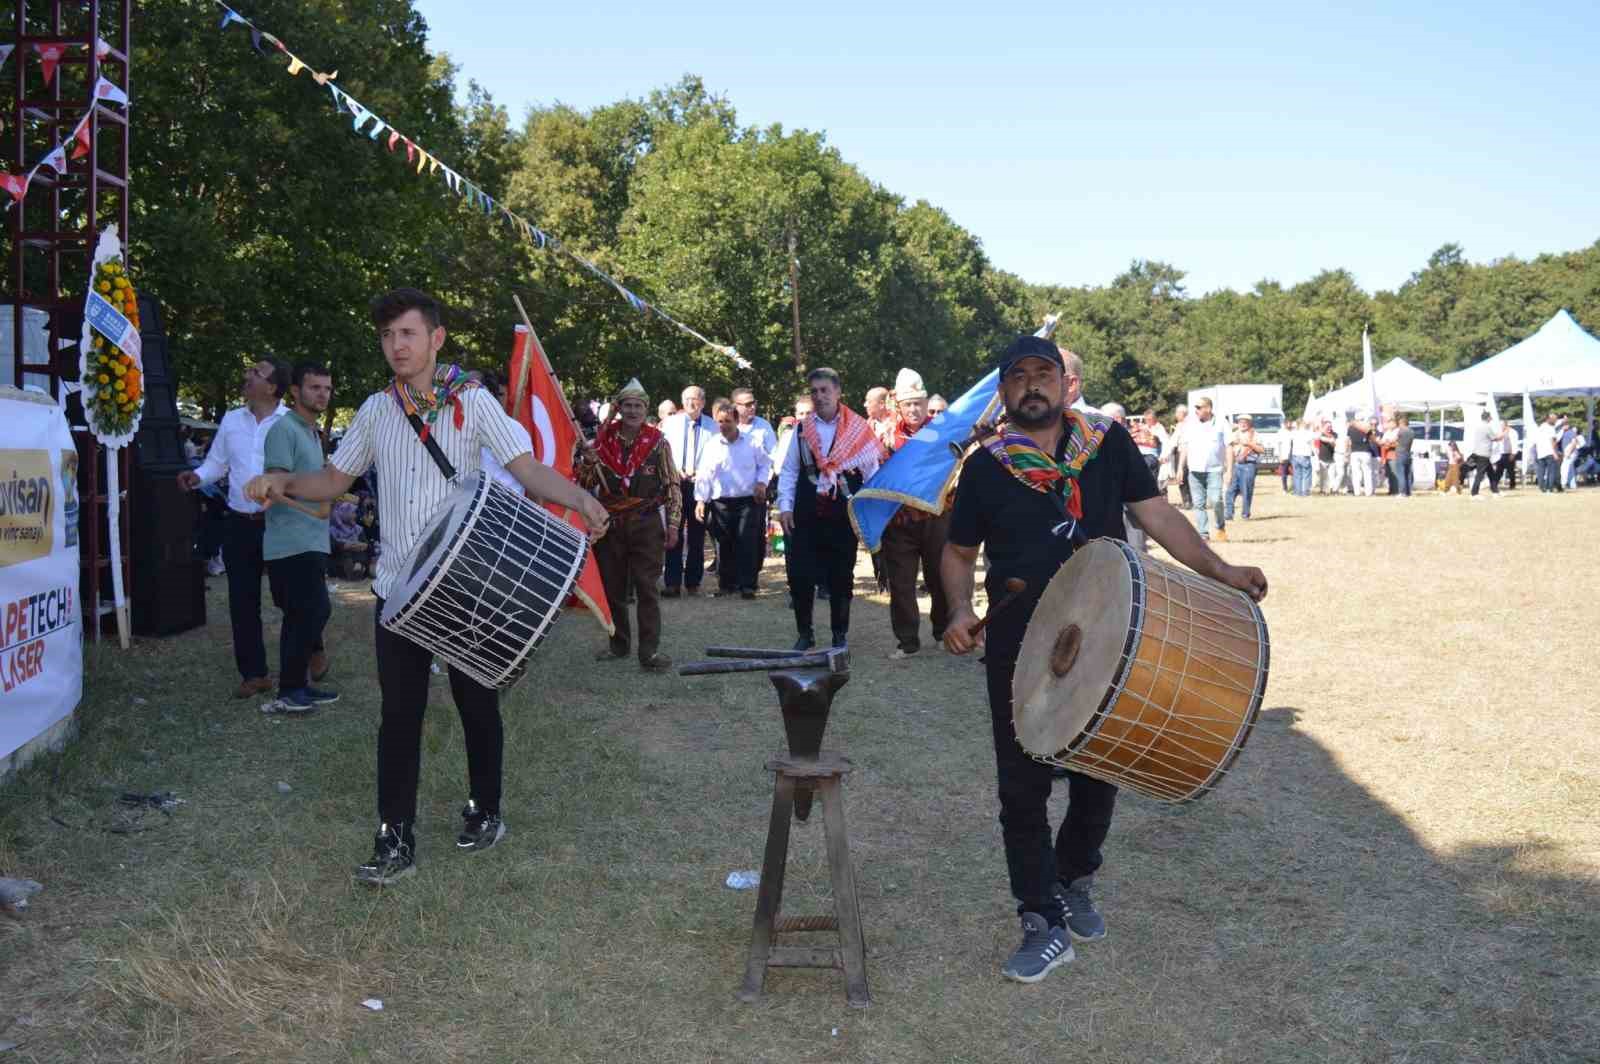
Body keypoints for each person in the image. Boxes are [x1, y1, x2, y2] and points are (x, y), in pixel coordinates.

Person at [244, 288, 610, 887]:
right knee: (399, 713)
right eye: (388, 337)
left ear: (436, 338)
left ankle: (486, 808)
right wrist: (282, 481)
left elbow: (524, 468)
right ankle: (395, 837)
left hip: (468, 583)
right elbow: (336, 479)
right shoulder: (374, 410)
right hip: (397, 588)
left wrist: (580, 498)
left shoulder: (472, 401)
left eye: (408, 334)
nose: (397, 347)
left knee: (476, 700)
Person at [939, 334, 1266, 984]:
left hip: (1113, 630)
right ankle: (1040, 918)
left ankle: (1073, 878)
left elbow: (1157, 516)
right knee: (1021, 787)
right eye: (1019, 377)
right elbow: (957, 552)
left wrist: (1222, 569)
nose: (1032, 386)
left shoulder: (1108, 445)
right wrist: (954, 611)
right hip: (1020, 641)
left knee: (1099, 770)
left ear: (1064, 384)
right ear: (1003, 392)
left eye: (1044, 374)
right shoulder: (985, 467)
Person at [179, 358, 292, 698]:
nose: (247, 375)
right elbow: (217, 463)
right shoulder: (231, 419)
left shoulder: (291, 423)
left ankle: (310, 650)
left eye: (256, 373)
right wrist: (197, 477)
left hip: (281, 525)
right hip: (240, 523)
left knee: (291, 597)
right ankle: (254, 673)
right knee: (242, 602)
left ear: (272, 387)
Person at [578, 378, 682, 672]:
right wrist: (587, 462)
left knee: (647, 588)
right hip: (610, 524)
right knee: (613, 588)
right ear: (619, 408)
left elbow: (672, 484)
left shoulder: (658, 442)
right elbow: (584, 483)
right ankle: (618, 645)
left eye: (638, 406)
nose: (633, 411)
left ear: (646, 409)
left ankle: (649, 653)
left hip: (647, 522)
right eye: (628, 405)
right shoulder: (601, 441)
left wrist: (674, 523)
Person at [776, 367, 881, 650]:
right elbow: (788, 470)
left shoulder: (859, 427)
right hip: (805, 510)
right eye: (814, 391)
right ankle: (805, 634)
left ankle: (839, 635)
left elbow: (872, 473)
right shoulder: (801, 429)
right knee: (799, 574)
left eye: (825, 390)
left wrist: (869, 513)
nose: (819, 396)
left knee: (840, 575)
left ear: (838, 392)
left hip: (843, 512)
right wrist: (785, 507)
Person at [259, 362, 340, 715]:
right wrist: (317, 501)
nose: (322, 394)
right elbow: (276, 485)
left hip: (311, 539)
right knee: (310, 611)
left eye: (326, 388)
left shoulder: (310, 431)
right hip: (290, 540)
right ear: (295, 391)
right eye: (314, 388)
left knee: (307, 613)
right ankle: (290, 689)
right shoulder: (284, 429)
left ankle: (297, 686)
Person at [878, 368, 950, 660]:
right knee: (902, 583)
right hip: (899, 522)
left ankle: (943, 632)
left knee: (939, 578)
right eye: (908, 404)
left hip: (936, 517)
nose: (914, 409)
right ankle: (907, 642)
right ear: (899, 405)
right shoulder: (885, 436)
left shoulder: (942, 431)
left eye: (918, 403)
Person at [694, 398, 771, 599]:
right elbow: (704, 474)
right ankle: (726, 584)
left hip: (748, 500)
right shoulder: (711, 445)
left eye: (728, 421)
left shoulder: (752, 442)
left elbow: (765, 465)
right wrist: (701, 500)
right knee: (723, 543)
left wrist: (762, 483)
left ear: (736, 421)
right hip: (721, 503)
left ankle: (748, 586)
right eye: (720, 421)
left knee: (747, 543)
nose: (724, 425)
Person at [660, 387, 716, 597]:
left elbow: (715, 455)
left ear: (703, 402)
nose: (692, 403)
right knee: (673, 531)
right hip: (676, 484)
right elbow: (663, 453)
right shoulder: (670, 424)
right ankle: (672, 583)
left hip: (701, 485)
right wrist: (675, 470)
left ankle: (693, 581)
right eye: (687, 399)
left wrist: (702, 473)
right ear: (682, 402)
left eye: (696, 399)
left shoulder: (713, 427)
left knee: (697, 534)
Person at [1179, 398, 1228, 541]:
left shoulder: (1221, 423)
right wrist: (1180, 468)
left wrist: (1230, 469)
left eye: (1200, 407)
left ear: (1208, 408)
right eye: (1196, 407)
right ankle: (1203, 534)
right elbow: (1185, 447)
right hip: (1194, 471)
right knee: (1198, 504)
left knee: (1216, 500)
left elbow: (1229, 446)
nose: (1197, 410)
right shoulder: (1190, 425)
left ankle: (1220, 526)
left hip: (1214, 469)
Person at [1224, 414, 1264, 521]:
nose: (1242, 424)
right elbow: (1230, 451)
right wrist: (1229, 468)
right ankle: (1228, 514)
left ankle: (1245, 514)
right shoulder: (1234, 434)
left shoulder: (1255, 434)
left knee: (1246, 491)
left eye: (1245, 422)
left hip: (1249, 465)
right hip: (1237, 465)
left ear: (1249, 423)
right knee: (1230, 491)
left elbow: (1261, 450)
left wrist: (1250, 444)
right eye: (1240, 422)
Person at [1469, 409, 1507, 497]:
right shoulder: (1487, 427)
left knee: (1491, 474)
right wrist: (1504, 434)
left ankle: (1495, 491)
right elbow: (1495, 438)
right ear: (1488, 418)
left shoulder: (1478, 426)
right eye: (1490, 417)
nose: (1491, 418)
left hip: (1478, 453)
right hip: (1484, 454)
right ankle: (1474, 493)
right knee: (1480, 474)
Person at [1347, 415, 1377, 496]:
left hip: (1354, 452)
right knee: (1367, 473)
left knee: (1356, 473)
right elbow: (1373, 439)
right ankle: (1368, 492)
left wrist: (1347, 453)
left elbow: (1349, 441)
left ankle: (1357, 492)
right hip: (1365, 452)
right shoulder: (1367, 428)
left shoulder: (1351, 428)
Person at [1391, 415, 1415, 497]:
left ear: (1402, 423)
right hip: (1408, 453)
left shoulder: (1401, 431)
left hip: (1400, 453)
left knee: (1401, 474)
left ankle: (1402, 492)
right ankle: (1408, 492)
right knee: (1408, 474)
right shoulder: (1412, 432)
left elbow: (1394, 440)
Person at [1291, 418, 1315, 496]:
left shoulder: (1294, 432)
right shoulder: (1307, 432)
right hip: (1304, 455)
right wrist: (1312, 426)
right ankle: (1305, 492)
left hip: (1295, 455)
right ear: (1302, 424)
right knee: (1306, 474)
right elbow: (1316, 436)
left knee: (1297, 475)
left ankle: (1297, 492)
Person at [1314, 420, 1338, 494]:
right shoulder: (1320, 434)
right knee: (1323, 477)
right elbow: (1319, 438)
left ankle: (1332, 490)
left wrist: (1325, 435)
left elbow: (1333, 440)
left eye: (1330, 426)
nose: (1329, 428)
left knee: (1332, 476)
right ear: (1324, 427)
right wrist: (1322, 433)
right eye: (1327, 426)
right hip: (1322, 458)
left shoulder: (1334, 434)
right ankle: (1323, 490)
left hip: (1331, 458)